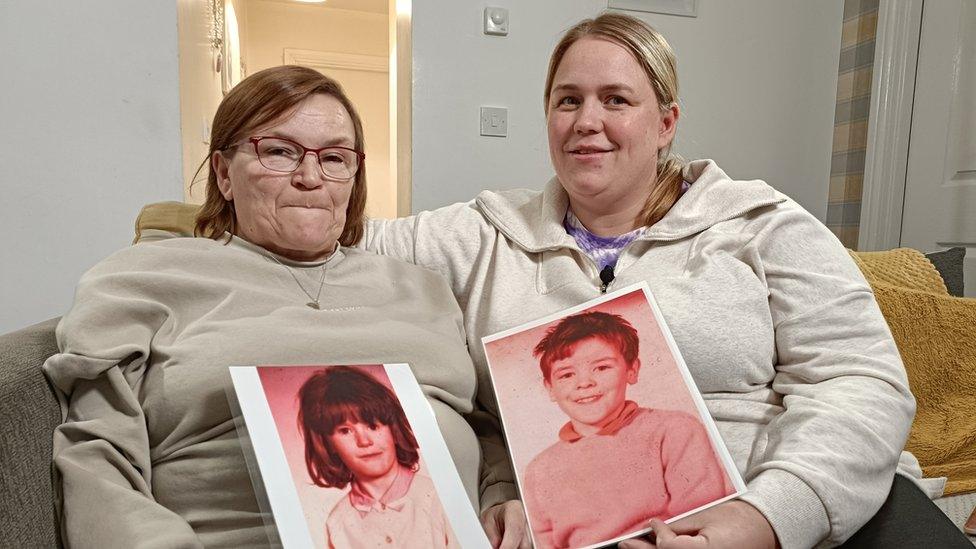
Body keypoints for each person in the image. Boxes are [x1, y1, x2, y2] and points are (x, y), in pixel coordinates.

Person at [363, 12, 925, 549]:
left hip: (788, 517)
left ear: (665, 123)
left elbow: (861, 381)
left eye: (616, 99)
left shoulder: (762, 224)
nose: (587, 121)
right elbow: (339, 235)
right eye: (568, 100)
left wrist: (771, 516)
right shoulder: (484, 235)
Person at [42, 65, 493, 547]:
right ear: (223, 173)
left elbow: (485, 427)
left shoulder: (422, 287)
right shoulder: (143, 278)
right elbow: (97, 456)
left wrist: (501, 492)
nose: (310, 177)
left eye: (334, 158)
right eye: (279, 151)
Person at [522, 311, 727, 548]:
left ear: (632, 370)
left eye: (601, 368)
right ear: (550, 388)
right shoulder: (539, 470)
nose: (584, 383)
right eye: (567, 374)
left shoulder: (674, 431)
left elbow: (701, 520)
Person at [297, 366, 460, 549]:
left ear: (393, 429)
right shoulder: (338, 523)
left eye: (373, 426)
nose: (364, 441)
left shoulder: (438, 498)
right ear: (327, 443)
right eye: (345, 431)